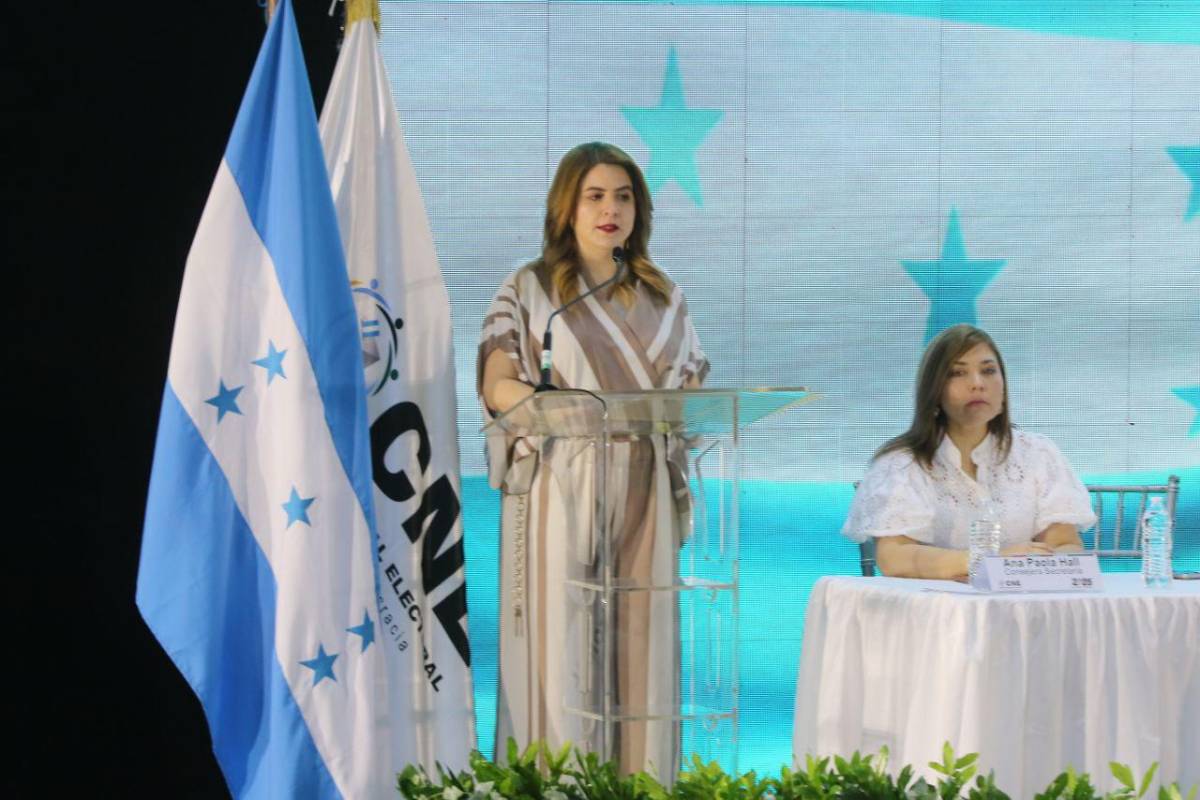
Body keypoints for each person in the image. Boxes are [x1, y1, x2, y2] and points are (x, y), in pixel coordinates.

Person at [477, 142, 709, 775]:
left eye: (624, 195)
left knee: (643, 646)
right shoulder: (532, 288)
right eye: (596, 195)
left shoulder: (663, 296)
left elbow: (689, 392)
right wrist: (541, 405)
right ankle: (555, 786)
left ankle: (642, 784)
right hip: (561, 477)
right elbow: (499, 381)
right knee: (561, 644)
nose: (612, 209)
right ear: (567, 207)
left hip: (644, 482)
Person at [843, 324, 1096, 579]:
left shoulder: (1039, 453)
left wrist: (1048, 564)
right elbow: (894, 558)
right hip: (937, 610)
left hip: (1023, 606)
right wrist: (988, 562)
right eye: (957, 373)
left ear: (1004, 388)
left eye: (988, 371)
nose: (977, 384)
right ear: (934, 392)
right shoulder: (901, 464)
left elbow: (1064, 543)